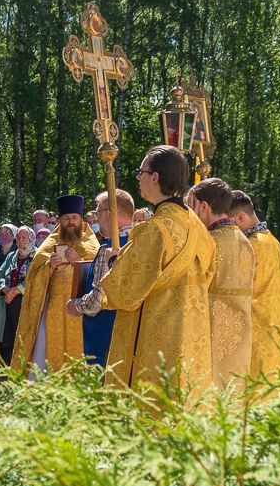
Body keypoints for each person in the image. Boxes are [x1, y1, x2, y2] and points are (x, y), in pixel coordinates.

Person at [71, 146, 217, 393]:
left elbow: (125, 292)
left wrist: (114, 263)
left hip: (156, 334)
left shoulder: (154, 230)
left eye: (141, 172)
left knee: (150, 402)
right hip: (191, 332)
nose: (138, 178)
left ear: (155, 177)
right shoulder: (197, 226)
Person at [12, 195, 100, 374]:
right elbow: (32, 277)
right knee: (49, 350)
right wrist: (49, 266)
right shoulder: (50, 242)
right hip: (54, 306)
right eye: (66, 218)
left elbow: (101, 271)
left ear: (81, 219)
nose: (71, 222)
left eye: (74, 217)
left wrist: (79, 260)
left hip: (81, 305)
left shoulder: (90, 242)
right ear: (60, 220)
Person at [189, 179, 255, 391]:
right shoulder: (246, 240)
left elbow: (189, 288)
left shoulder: (208, 242)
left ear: (203, 207)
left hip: (211, 335)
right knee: (234, 393)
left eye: (192, 207)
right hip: (241, 336)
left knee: (210, 396)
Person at [66, 190, 134, 368]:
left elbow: (97, 300)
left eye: (98, 212)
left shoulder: (110, 249)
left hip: (103, 335)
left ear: (111, 213)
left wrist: (76, 305)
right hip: (132, 334)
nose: (96, 219)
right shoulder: (141, 242)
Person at [230, 190, 280, 379]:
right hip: (277, 334)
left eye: (228, 222)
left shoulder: (249, 246)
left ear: (239, 217)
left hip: (257, 337)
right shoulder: (273, 242)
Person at [0, 226, 36, 365]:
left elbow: (36, 278)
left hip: (26, 302)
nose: (20, 241)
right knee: (8, 334)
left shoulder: (37, 256)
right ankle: (9, 365)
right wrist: (5, 289)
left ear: (31, 239)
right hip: (8, 301)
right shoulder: (12, 255)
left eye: (24, 238)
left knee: (24, 335)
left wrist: (17, 290)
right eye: (18, 237)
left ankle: (24, 365)